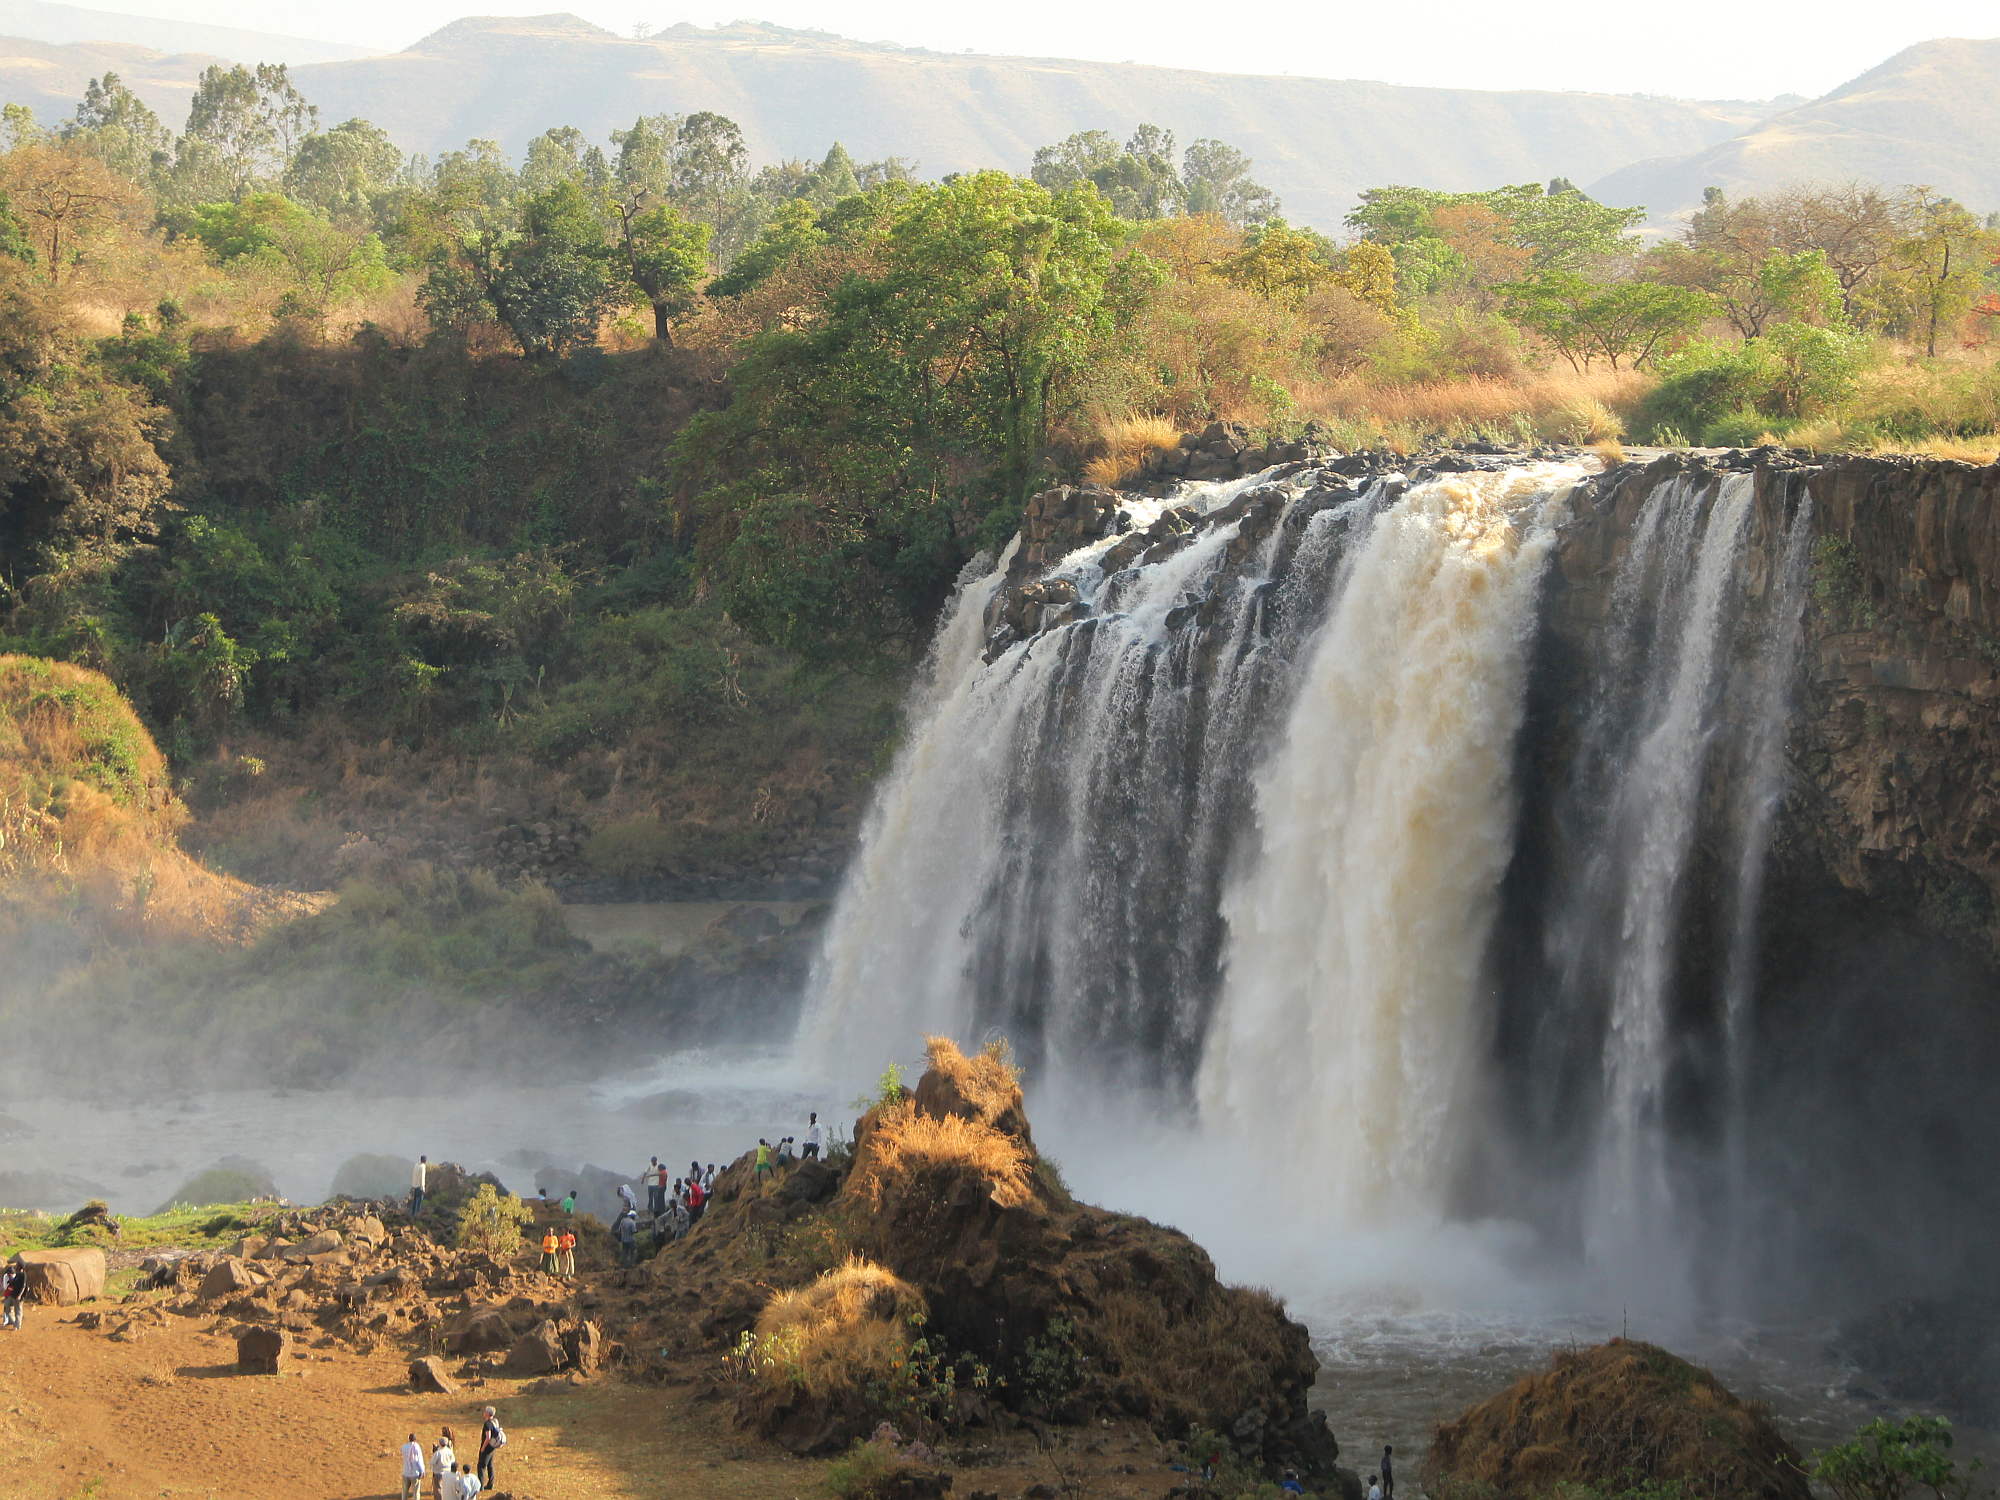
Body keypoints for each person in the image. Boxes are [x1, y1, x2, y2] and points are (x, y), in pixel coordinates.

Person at [477, 1408, 503, 1490]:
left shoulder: (487, 1424)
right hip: (492, 1447)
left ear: (488, 1414)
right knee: (490, 1465)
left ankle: (480, 1486)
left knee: (481, 1466)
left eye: (485, 1412)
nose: (483, 1413)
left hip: (487, 1448)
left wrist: (483, 1448)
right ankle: (490, 1484)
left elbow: (488, 1437)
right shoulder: (495, 1421)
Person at [430, 1430, 456, 1500]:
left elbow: (432, 1462)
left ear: (440, 1443)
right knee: (446, 1488)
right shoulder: (449, 1451)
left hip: (438, 1473)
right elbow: (453, 1461)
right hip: (448, 1472)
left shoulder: (438, 1453)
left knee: (438, 1489)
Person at [399, 1433, 425, 1500]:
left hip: (406, 1472)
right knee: (416, 1492)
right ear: (415, 1439)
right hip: (415, 1473)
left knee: (404, 1491)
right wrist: (422, 1471)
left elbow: (401, 1451)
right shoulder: (417, 1447)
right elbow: (419, 1460)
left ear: (409, 1439)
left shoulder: (404, 1447)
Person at [1, 1263, 26, 1328]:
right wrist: (7, 1294)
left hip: (18, 1296)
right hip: (12, 1295)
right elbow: (11, 1285)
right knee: (7, 1307)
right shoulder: (15, 1275)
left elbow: (24, 1286)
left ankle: (17, 1326)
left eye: (17, 1267)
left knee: (18, 1311)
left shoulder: (23, 1275)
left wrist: (20, 1295)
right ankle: (9, 1321)